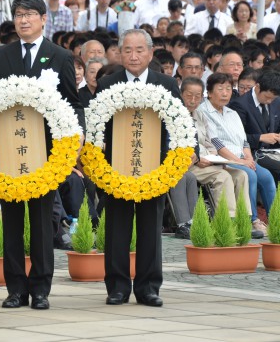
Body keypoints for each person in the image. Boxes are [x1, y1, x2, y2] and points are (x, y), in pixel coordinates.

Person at [0, 0, 84, 310]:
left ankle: (40, 289)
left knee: (42, 224)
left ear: (43, 19)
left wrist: (74, 138)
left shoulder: (60, 56)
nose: (23, 20)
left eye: (30, 14)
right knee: (11, 223)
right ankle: (15, 289)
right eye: (18, 15)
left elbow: (72, 104)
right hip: (9, 152)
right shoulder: (1, 55)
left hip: (46, 155)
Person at [96, 29, 180, 308]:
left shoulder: (166, 84)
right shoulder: (108, 83)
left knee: (150, 230)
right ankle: (117, 287)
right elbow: (98, 127)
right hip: (117, 170)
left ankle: (148, 288)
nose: (133, 56)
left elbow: (178, 126)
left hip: (153, 170)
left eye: (139, 50)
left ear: (150, 52)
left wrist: (170, 163)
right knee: (117, 229)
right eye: (127, 50)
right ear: (119, 53)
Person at [199, 73, 276, 236]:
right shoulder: (203, 111)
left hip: (241, 157)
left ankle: (275, 220)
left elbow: (244, 141)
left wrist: (247, 158)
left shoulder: (231, 113)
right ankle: (251, 220)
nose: (225, 93)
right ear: (210, 92)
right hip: (221, 159)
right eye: (220, 89)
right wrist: (239, 161)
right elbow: (215, 142)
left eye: (228, 88)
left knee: (267, 176)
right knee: (249, 175)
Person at [181, 77, 253, 228]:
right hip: (190, 164)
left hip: (208, 162)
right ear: (181, 94)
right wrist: (198, 159)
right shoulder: (175, 116)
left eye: (197, 96)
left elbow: (209, 142)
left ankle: (244, 221)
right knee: (223, 176)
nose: (193, 100)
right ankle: (227, 222)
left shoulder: (199, 115)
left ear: (202, 96)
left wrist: (213, 157)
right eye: (189, 95)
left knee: (241, 175)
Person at [229, 71, 280, 183]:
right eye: (267, 97)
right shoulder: (240, 104)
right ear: (257, 87)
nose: (269, 101)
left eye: (273, 98)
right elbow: (236, 138)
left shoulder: (276, 101)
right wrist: (260, 137)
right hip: (252, 153)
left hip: (273, 150)